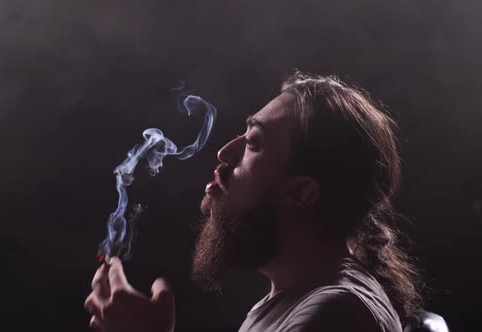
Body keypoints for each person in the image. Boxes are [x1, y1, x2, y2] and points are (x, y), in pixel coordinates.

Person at [84, 72, 423, 332]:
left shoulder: (333, 315)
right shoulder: (290, 301)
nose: (224, 153)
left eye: (254, 143)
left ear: (300, 193)